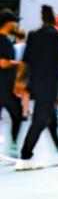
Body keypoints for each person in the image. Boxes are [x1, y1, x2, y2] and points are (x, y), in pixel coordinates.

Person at [14, 5, 58, 171]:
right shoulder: (54, 35)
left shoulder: (33, 35)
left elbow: (26, 60)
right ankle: (25, 157)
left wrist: (20, 80)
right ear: (52, 17)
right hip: (50, 83)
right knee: (40, 120)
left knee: (51, 119)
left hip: (36, 82)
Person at [0, 11, 23, 158]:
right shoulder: (4, 41)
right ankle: (13, 145)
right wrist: (21, 64)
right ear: (8, 23)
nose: (16, 25)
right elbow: (3, 63)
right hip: (4, 86)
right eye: (15, 22)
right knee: (17, 114)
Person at [12, 28, 29, 120]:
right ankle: (25, 112)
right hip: (26, 69)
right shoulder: (27, 46)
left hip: (16, 68)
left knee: (16, 90)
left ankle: (18, 110)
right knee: (25, 92)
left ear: (16, 38)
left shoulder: (14, 47)